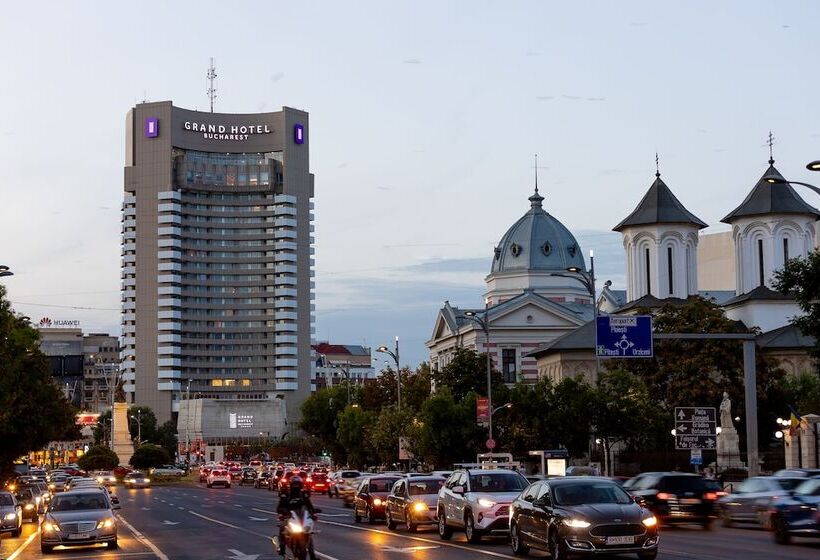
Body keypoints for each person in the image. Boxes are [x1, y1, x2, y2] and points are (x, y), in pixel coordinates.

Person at [276, 475, 317, 559]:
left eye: (297, 484)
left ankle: (312, 555)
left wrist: (313, 513)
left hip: (301, 517)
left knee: (309, 532)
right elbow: (279, 507)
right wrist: (284, 512)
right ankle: (282, 548)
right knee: (282, 527)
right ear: (291, 485)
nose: (296, 486)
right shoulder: (286, 494)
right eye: (294, 484)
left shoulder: (303, 495)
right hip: (289, 516)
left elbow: (309, 505)